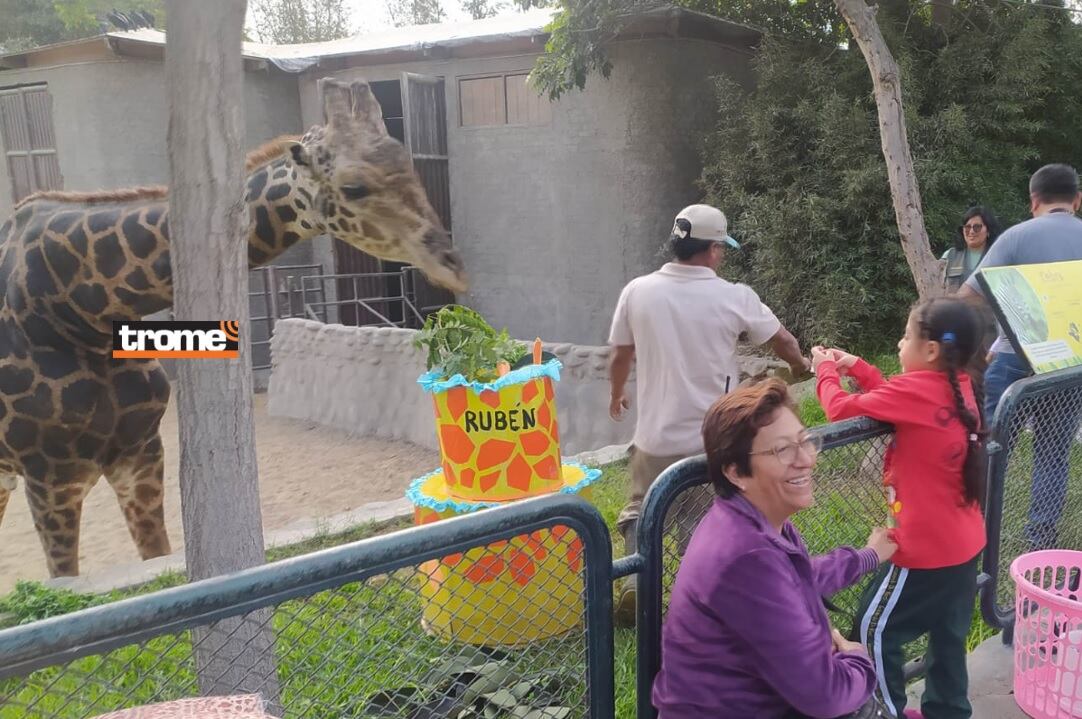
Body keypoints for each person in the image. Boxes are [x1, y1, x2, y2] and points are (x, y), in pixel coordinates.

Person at [606, 203, 811, 627]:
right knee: (701, 521)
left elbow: (620, 354)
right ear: (715, 250)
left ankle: (633, 584)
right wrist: (800, 368)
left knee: (639, 512)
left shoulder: (637, 291)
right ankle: (693, 601)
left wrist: (616, 393)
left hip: (654, 436)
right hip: (711, 438)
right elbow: (785, 342)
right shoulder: (733, 296)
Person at [651, 378, 897, 719]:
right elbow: (827, 694)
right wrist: (857, 657)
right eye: (783, 450)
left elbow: (797, 577)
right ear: (736, 471)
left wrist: (866, 557)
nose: (806, 459)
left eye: (806, 442)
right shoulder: (745, 556)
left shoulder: (753, 521)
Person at [812, 297, 989, 719]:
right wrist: (856, 366)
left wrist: (824, 370)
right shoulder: (960, 385)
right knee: (948, 635)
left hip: (924, 551)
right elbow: (895, 396)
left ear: (930, 351)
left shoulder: (918, 393)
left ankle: (884, 711)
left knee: (874, 630)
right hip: (965, 545)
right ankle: (948, 710)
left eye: (907, 336)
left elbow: (839, 409)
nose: (899, 342)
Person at [957, 163, 1082, 550]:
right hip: (1068, 366)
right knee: (1052, 452)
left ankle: (974, 529)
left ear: (1033, 201)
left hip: (1013, 359)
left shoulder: (1015, 237)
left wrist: (969, 348)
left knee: (993, 444)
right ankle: (1040, 540)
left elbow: (968, 299)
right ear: (1076, 200)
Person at [941, 206, 1001, 292]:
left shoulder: (998, 257)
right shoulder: (949, 256)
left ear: (988, 230)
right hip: (953, 305)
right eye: (967, 227)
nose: (971, 231)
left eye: (977, 227)